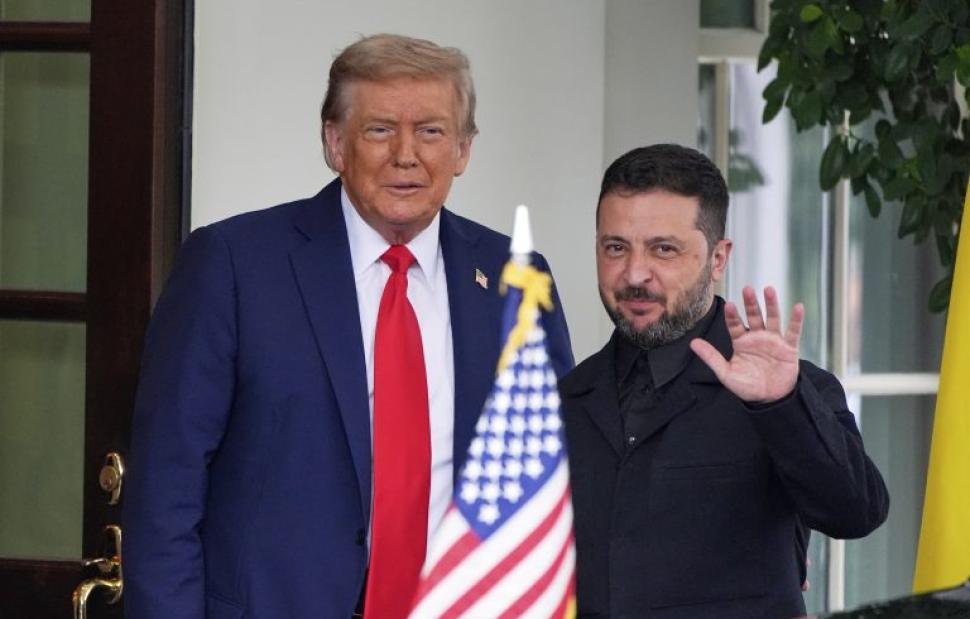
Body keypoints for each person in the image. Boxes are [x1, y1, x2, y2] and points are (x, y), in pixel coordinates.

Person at [122, 33, 573, 619]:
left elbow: (553, 480)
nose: (406, 155)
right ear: (335, 143)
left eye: (431, 131)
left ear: (463, 149)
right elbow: (166, 489)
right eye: (380, 130)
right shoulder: (233, 264)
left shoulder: (515, 278)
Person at [561, 144, 889, 618]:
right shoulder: (567, 399)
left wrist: (781, 404)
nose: (634, 274)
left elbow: (856, 512)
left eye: (664, 249)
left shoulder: (787, 390)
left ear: (718, 259)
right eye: (616, 247)